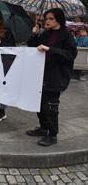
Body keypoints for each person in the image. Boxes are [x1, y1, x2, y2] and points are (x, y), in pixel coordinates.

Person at [27, 8, 77, 146]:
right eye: (46, 18)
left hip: (56, 76)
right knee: (39, 105)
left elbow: (71, 54)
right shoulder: (45, 34)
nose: (47, 21)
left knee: (50, 106)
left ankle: (52, 135)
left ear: (58, 20)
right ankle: (43, 128)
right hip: (41, 74)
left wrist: (50, 49)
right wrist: (34, 35)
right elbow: (32, 47)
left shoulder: (66, 35)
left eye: (50, 19)